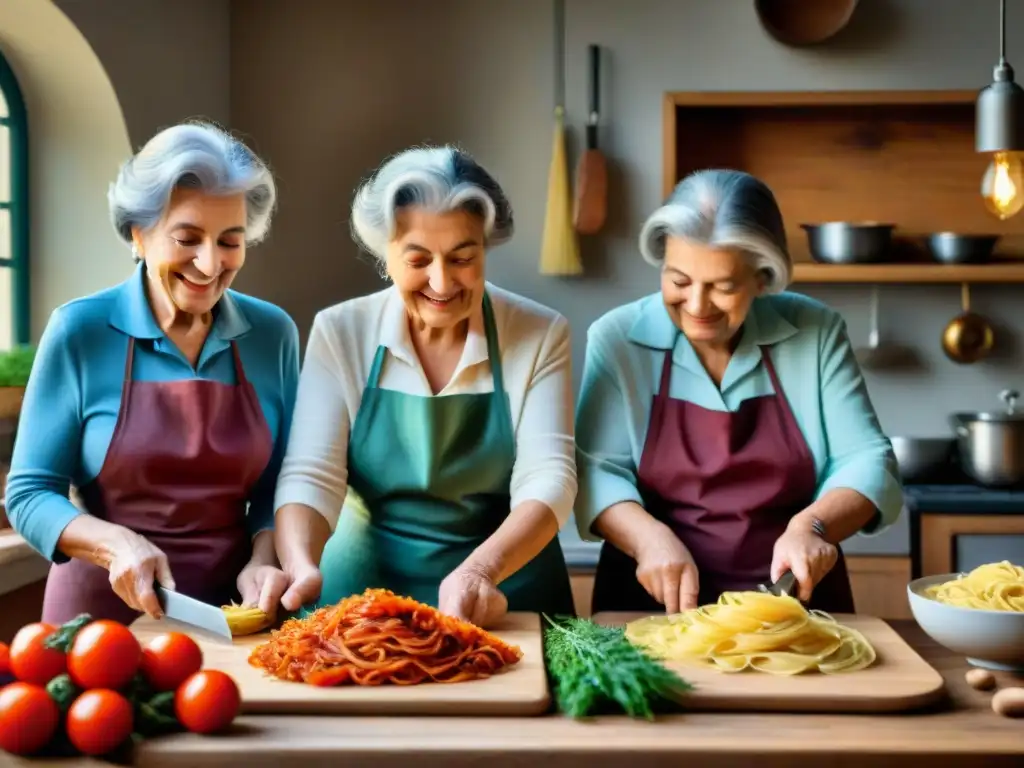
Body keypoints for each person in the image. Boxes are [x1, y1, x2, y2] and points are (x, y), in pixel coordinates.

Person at [5, 121, 300, 624]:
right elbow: (29, 493)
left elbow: (284, 483)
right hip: (100, 619)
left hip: (237, 613)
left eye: (230, 241)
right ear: (138, 235)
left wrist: (265, 556)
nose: (210, 264)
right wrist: (114, 544)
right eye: (187, 238)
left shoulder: (272, 334)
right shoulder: (80, 330)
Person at [574, 169, 904, 616]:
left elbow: (866, 458)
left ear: (762, 278)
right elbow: (595, 471)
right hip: (652, 600)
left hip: (794, 601)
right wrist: (648, 539)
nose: (697, 306)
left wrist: (814, 526)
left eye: (723, 287)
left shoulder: (816, 331)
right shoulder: (617, 338)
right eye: (679, 281)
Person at [272, 145, 577, 627]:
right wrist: (300, 563)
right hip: (361, 600)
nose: (441, 281)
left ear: (485, 249)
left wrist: (481, 570)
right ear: (385, 256)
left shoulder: (538, 333)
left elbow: (550, 476)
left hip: (505, 592)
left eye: (462, 257)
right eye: (418, 259)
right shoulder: (341, 331)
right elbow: (312, 474)